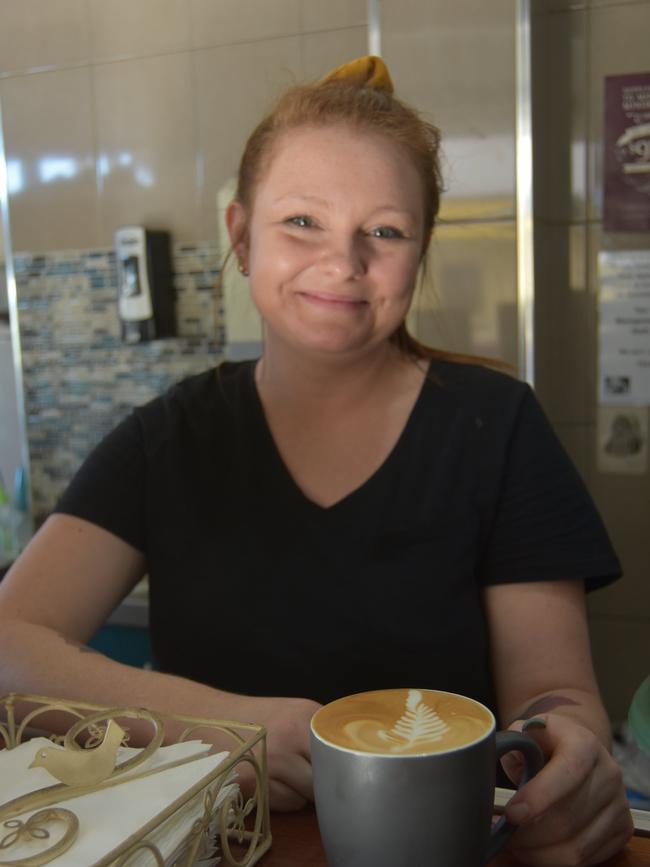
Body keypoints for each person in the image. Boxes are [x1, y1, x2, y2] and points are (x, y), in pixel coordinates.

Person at [0, 56, 633, 865]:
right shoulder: (169, 438)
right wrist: (232, 727)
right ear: (240, 236)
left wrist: (571, 745)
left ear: (420, 253)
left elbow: (555, 693)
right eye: (302, 222)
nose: (344, 262)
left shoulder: (496, 425)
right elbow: (11, 645)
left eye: (385, 231)